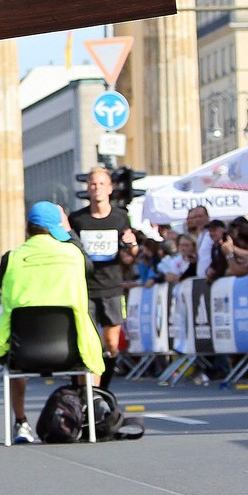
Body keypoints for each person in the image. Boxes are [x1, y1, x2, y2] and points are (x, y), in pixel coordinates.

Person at [0, 203, 105, 444]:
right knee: (85, 336)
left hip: (25, 352)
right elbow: (90, 270)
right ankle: (85, 414)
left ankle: (21, 422)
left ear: (28, 229)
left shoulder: (12, 258)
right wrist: (70, 233)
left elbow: (3, 290)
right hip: (70, 351)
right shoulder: (73, 255)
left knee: (14, 348)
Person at [67, 167, 136, 391]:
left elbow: (129, 256)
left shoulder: (120, 216)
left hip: (111, 287)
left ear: (110, 188)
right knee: (85, 344)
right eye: (93, 184)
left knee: (111, 344)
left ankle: (102, 390)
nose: (97, 188)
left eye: (101, 184)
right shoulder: (78, 219)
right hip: (85, 288)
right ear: (87, 188)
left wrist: (132, 245)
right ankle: (82, 391)